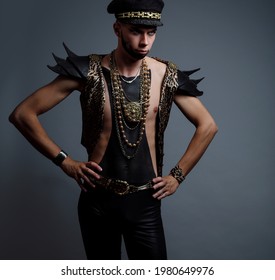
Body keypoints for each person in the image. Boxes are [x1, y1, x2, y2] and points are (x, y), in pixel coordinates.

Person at [9, 0, 218, 260]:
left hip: (145, 202)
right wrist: (65, 162)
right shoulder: (89, 72)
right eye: (136, 31)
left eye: (151, 32)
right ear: (117, 28)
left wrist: (177, 175)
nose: (145, 41)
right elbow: (22, 114)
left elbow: (208, 125)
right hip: (97, 202)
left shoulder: (166, 76)